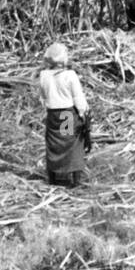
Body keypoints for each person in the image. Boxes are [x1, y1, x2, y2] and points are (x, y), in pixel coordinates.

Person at [39, 42, 91, 187]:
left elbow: (43, 97)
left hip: (52, 115)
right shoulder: (70, 75)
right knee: (70, 144)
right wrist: (83, 113)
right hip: (66, 116)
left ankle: (53, 176)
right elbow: (78, 98)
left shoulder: (43, 75)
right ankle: (74, 179)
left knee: (54, 144)